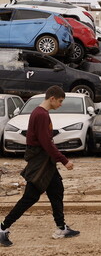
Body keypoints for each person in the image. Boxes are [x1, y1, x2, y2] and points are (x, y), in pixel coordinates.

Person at [0, 86, 80, 247]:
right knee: (30, 197)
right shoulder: (41, 115)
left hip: (45, 161)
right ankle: (3, 228)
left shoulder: (39, 113)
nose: (60, 104)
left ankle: (61, 227)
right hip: (41, 161)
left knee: (57, 190)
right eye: (60, 101)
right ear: (52, 98)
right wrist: (64, 160)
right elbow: (46, 144)